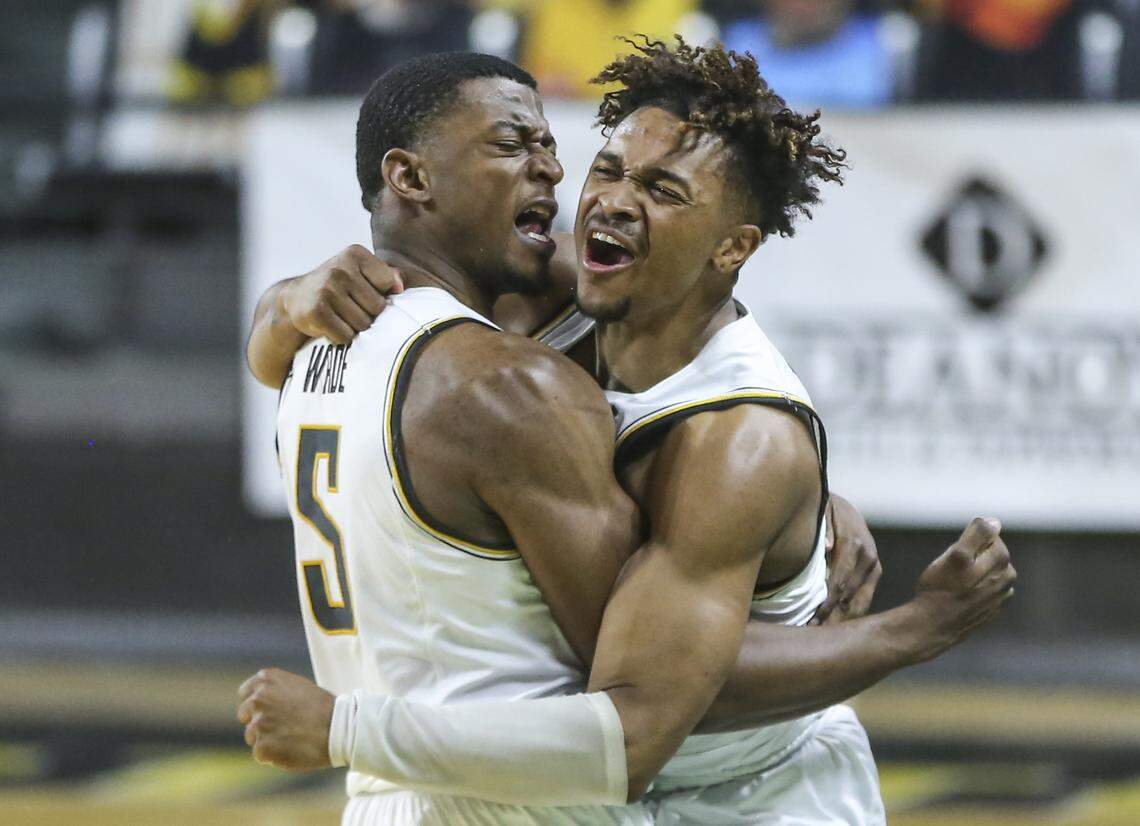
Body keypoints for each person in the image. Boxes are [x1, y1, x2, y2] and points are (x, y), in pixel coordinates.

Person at [238, 43, 1015, 824]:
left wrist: (912, 627)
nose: (600, 197)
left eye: (662, 189)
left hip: (753, 788)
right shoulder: (546, 295)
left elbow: (645, 705)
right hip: (551, 775)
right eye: (606, 169)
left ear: (732, 246)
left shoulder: (738, 440)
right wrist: (287, 296)